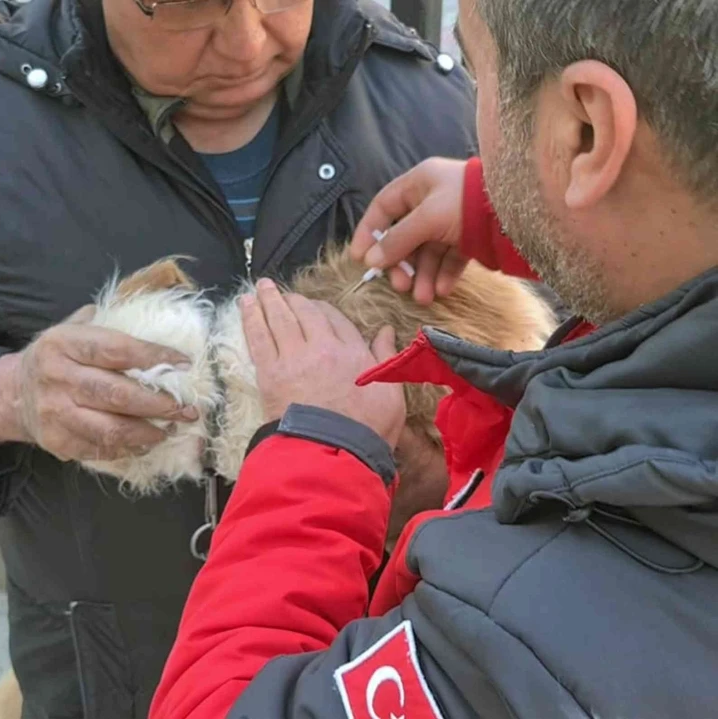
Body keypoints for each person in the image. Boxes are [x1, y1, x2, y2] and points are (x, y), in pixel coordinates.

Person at [151, 0, 718, 716]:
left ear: (587, 129)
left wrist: (319, 454)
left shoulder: (519, 631)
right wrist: (529, 207)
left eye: (479, 76)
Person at [0, 0, 477, 713]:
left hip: (378, 682)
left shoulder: (438, 110)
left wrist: (443, 477)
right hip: (100, 686)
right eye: (192, 8)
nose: (248, 42)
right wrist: (12, 394)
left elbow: (555, 411)